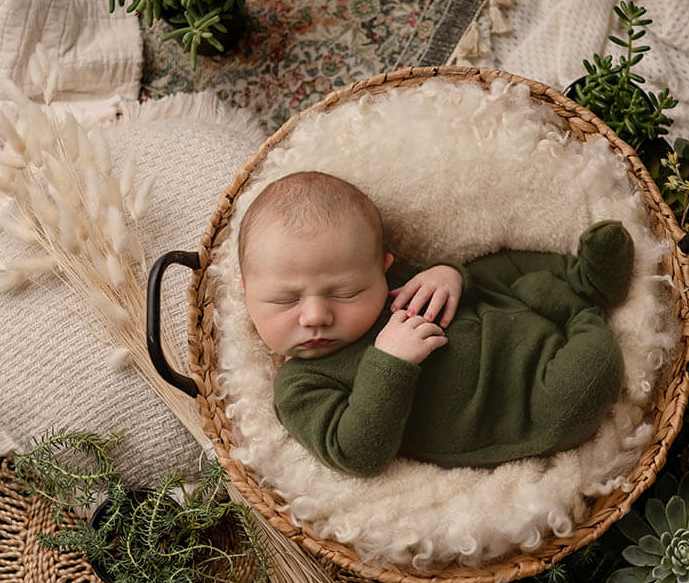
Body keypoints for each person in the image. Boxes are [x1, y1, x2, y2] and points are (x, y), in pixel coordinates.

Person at [240, 171, 634, 477]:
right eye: (284, 300)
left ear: (382, 270)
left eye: (345, 293)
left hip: (510, 318)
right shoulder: (299, 387)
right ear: (246, 293)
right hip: (530, 403)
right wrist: (390, 362)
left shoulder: (389, 288)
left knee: (493, 267)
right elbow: (356, 453)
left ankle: (586, 279)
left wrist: (448, 274)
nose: (315, 316)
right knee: (591, 375)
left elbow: (462, 288)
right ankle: (586, 310)